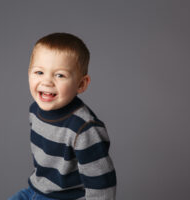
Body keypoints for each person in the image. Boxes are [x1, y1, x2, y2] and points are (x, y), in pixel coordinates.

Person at [8, 33, 116, 200]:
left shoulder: (83, 128)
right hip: (37, 189)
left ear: (81, 84)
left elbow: (102, 183)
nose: (47, 82)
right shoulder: (34, 111)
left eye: (60, 75)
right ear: (28, 73)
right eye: (39, 72)